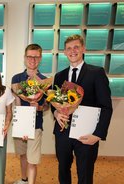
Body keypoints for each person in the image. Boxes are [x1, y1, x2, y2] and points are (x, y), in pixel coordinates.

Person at [52, 34, 113, 184]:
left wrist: (98, 135)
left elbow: (106, 107)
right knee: (63, 171)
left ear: (83, 49)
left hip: (87, 134)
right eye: (69, 49)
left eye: (76, 47)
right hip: (63, 133)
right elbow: (53, 103)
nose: (72, 51)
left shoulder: (97, 73)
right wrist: (56, 113)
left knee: (85, 173)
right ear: (65, 52)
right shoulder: (59, 76)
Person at [11, 44, 49, 184]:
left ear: (40, 58)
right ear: (25, 58)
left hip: (36, 125)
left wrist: (39, 107)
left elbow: (47, 106)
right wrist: (22, 126)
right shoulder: (16, 79)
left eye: (36, 56)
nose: (32, 59)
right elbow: (16, 102)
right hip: (20, 124)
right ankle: (23, 180)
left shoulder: (45, 81)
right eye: (30, 56)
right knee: (22, 155)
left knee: (32, 160)